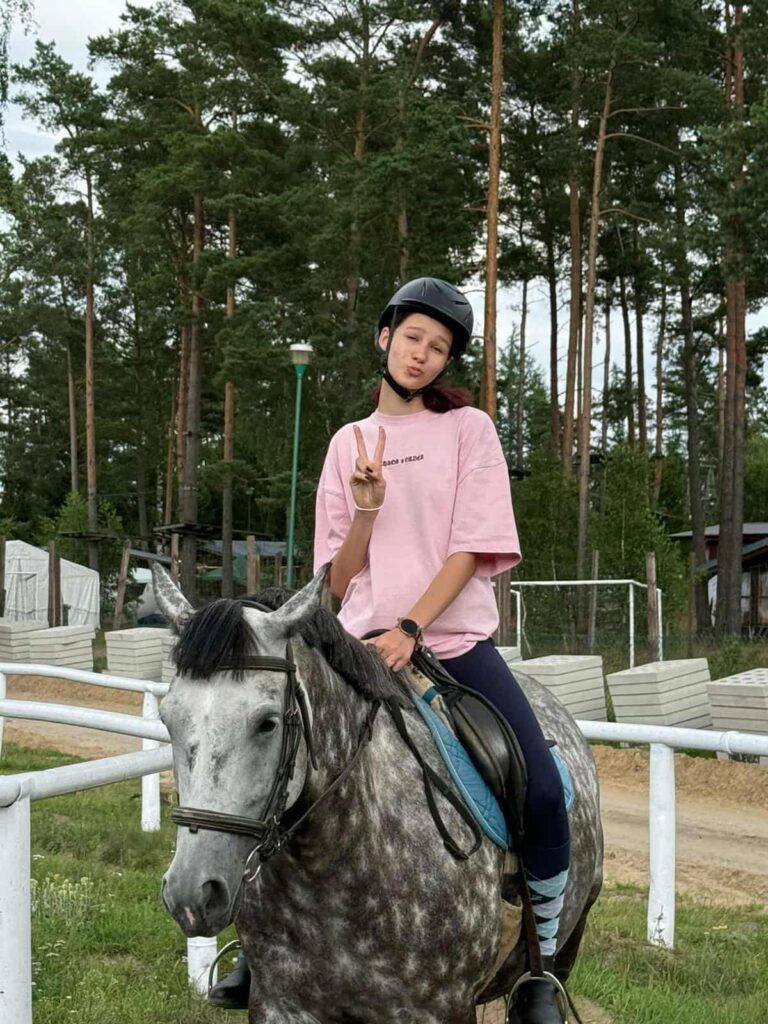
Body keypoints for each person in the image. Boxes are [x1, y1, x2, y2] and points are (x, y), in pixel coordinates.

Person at [209, 278, 569, 1024]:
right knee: (279, 767)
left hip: (452, 643)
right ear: (384, 337)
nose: (423, 354)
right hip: (357, 643)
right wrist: (367, 512)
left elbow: (473, 547)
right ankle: (260, 941)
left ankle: (540, 960)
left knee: (538, 787)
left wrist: (412, 628)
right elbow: (337, 578)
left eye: (438, 348)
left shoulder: (471, 431)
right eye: (413, 338)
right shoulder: (347, 443)